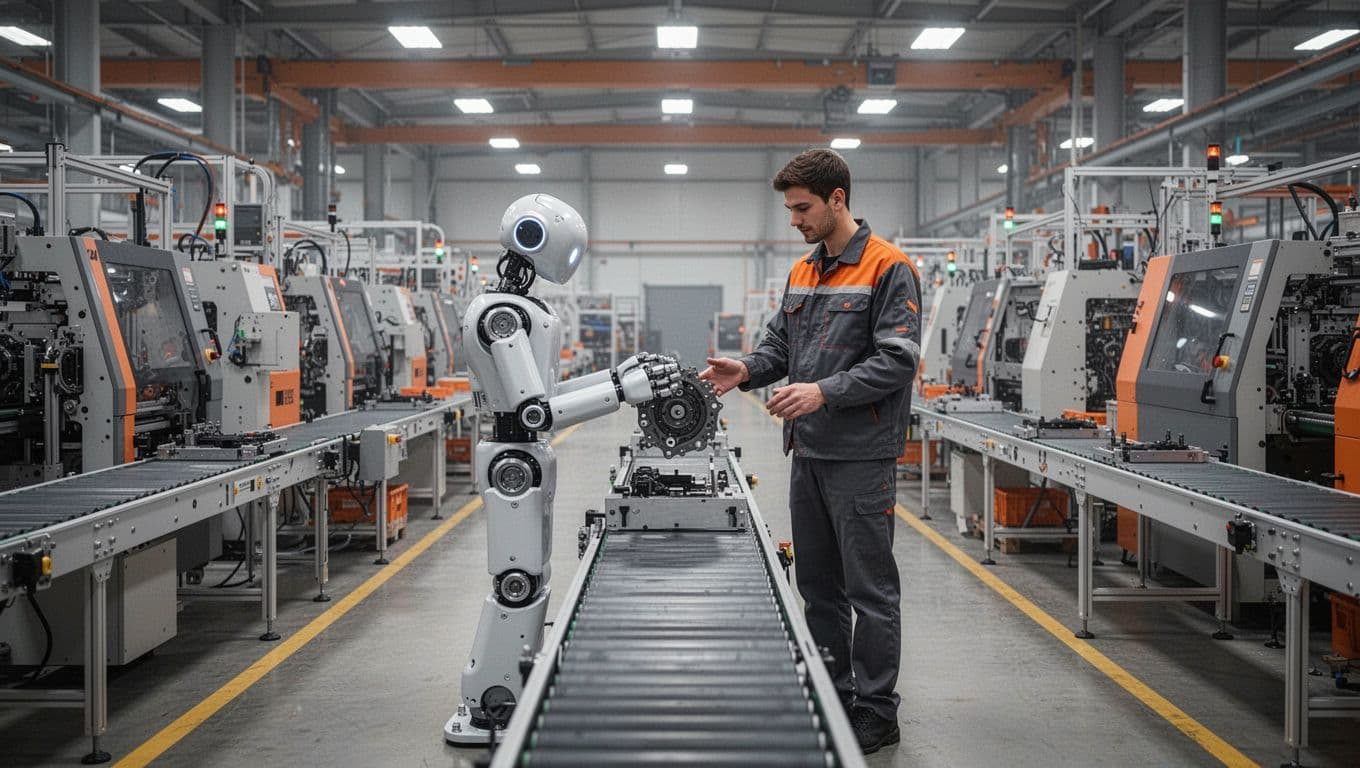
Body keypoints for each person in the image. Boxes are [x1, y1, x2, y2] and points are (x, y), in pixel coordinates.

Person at [700, 148, 920, 755]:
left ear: (837, 200)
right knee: (819, 586)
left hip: (861, 455)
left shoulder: (887, 268)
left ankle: (877, 709)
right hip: (810, 453)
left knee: (869, 589)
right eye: (791, 209)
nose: (794, 220)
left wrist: (824, 391)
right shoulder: (803, 272)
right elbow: (780, 345)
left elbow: (898, 360)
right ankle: (834, 689)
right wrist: (742, 369)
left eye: (802, 208)